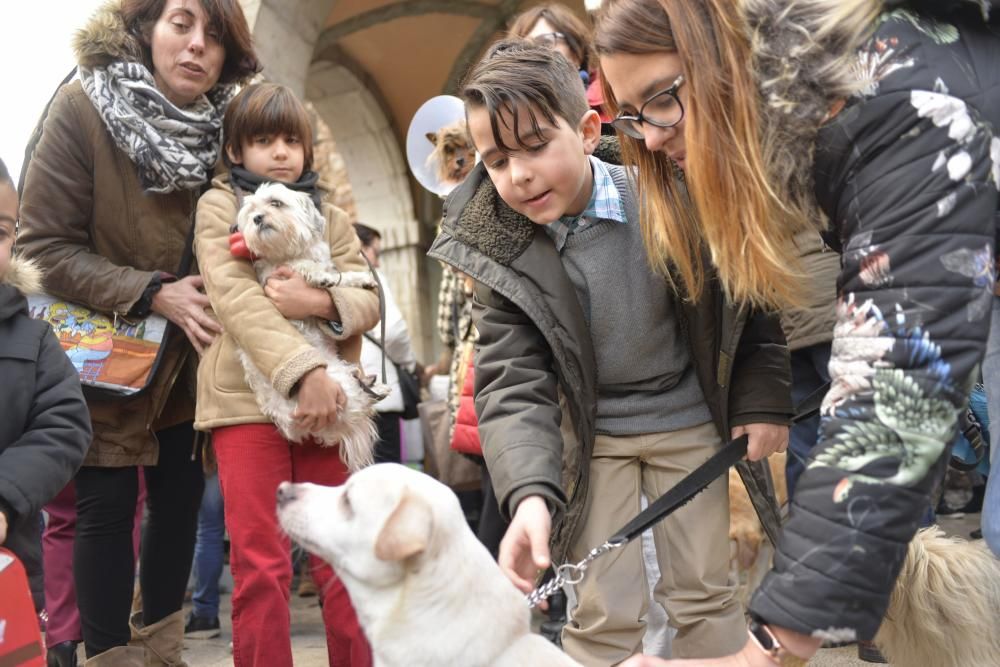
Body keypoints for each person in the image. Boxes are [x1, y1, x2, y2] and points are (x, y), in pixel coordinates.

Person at [592, 0, 1000, 664]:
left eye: (662, 99)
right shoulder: (829, 117)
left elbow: (892, 388)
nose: (652, 137)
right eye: (633, 116)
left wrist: (765, 650)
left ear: (720, 54)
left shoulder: (884, 99)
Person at [428, 40, 791, 666]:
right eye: (496, 160)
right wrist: (531, 497)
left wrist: (761, 398)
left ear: (589, 128)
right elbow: (512, 382)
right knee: (601, 607)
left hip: (689, 419)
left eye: (537, 145)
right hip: (594, 442)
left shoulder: (669, 193)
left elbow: (744, 301)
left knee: (704, 591)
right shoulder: (501, 248)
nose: (519, 174)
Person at [17, 1, 260, 663]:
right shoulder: (82, 107)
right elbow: (41, 250)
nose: (196, 47)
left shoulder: (229, 123)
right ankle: (108, 654)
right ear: (145, 28)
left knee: (181, 505)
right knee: (104, 503)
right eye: (181, 24)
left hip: (192, 360)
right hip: (106, 354)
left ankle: (162, 649)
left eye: (214, 35)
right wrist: (152, 291)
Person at [194, 82, 379, 667]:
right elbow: (235, 299)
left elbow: (369, 297)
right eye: (262, 140)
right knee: (261, 563)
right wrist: (305, 374)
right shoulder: (220, 207)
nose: (279, 152)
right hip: (247, 404)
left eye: (291, 140)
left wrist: (319, 303)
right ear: (234, 152)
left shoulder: (334, 216)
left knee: (342, 556)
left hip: (333, 405)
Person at [0, 155, 91, 642]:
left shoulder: (34, 340)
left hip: (8, 560)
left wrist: (4, 497)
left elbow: (64, 425)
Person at [355, 222, 419, 464]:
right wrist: (409, 363)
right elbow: (393, 331)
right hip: (378, 393)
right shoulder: (371, 275)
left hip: (347, 399)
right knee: (386, 477)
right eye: (376, 253)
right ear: (360, 246)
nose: (378, 262)